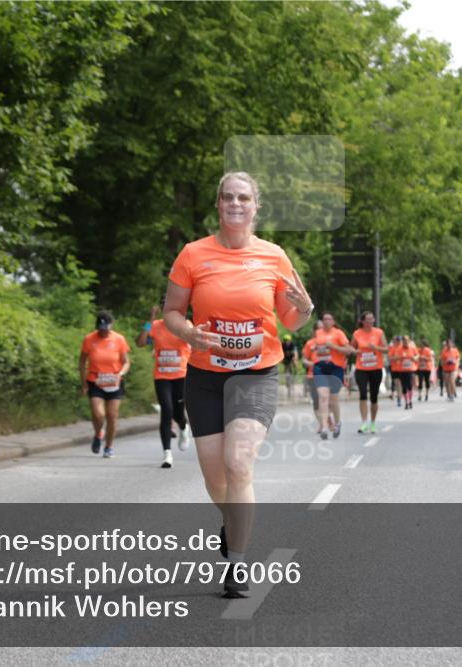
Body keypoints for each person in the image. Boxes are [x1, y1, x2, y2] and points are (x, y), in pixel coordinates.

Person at [162, 171, 313, 597]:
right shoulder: (193, 254)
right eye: (227, 197)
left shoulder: (274, 257)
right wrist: (188, 332)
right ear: (218, 204)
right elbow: (171, 311)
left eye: (243, 198)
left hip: (256, 372)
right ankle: (232, 525)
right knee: (216, 480)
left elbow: (291, 320)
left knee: (238, 462)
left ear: (255, 206)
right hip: (206, 376)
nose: (235, 204)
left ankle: (238, 565)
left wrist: (304, 310)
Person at [137, 304, 192, 468]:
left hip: (180, 376)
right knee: (166, 410)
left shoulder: (185, 324)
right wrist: (150, 319)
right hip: (161, 376)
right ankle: (167, 454)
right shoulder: (155, 326)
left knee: (178, 412)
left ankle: (183, 426)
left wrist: (184, 328)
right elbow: (140, 343)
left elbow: (195, 343)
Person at [80, 311, 131, 458]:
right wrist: (83, 383)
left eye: (105, 329)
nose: (102, 332)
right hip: (95, 381)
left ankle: (108, 447)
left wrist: (120, 374)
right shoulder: (89, 339)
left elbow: (126, 361)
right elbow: (82, 362)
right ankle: (98, 434)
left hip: (114, 382)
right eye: (100, 329)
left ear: (111, 325)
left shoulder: (119, 339)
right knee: (98, 414)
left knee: (112, 416)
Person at [310, 312, 353, 438]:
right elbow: (316, 347)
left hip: (336, 368)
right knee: (323, 397)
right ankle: (324, 427)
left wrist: (333, 346)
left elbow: (349, 350)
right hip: (320, 367)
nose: (327, 321)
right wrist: (316, 348)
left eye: (329, 319)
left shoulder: (338, 333)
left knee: (333, 400)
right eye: (324, 319)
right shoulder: (318, 333)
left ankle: (338, 422)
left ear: (333, 321)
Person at [351, 311, 388, 434]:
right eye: (368, 319)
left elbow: (387, 349)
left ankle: (372, 423)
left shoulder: (379, 332)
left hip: (376, 368)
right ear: (362, 321)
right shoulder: (357, 333)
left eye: (372, 319)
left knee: (374, 397)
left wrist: (376, 348)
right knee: (362, 393)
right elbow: (351, 348)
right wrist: (355, 351)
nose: (371, 321)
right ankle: (364, 422)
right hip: (361, 368)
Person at [301, 321, 323, 432]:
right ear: (314, 331)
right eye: (318, 329)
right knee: (316, 402)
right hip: (313, 375)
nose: (320, 331)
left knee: (327, 399)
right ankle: (322, 424)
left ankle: (328, 420)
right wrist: (312, 364)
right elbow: (304, 360)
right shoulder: (310, 343)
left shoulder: (331, 341)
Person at [399, 335, 418, 407]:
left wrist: (414, 358)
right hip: (402, 370)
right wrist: (400, 357)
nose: (405, 342)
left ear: (409, 341)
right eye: (404, 340)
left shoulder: (412, 348)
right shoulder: (399, 349)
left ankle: (410, 401)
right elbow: (394, 357)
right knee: (404, 386)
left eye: (406, 340)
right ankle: (406, 402)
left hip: (410, 369)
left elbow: (417, 355)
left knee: (409, 385)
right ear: (402, 341)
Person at [415, 338, 435, 404]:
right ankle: (420, 395)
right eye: (420, 345)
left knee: (426, 381)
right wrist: (418, 357)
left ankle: (426, 394)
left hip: (427, 368)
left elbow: (430, 359)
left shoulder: (428, 350)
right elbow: (415, 356)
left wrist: (424, 357)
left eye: (422, 345)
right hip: (420, 368)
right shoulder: (418, 350)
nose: (421, 346)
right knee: (420, 380)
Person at [280, 333, 299, 400]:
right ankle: (287, 379)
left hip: (292, 358)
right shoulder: (282, 345)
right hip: (286, 359)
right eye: (285, 340)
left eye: (287, 340)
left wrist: (295, 359)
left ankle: (296, 372)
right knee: (286, 370)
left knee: (295, 362)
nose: (286, 342)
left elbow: (296, 353)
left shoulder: (292, 345)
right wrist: (281, 359)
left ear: (290, 340)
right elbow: (280, 353)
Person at [388, 335, 404, 407]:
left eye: (399, 340)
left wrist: (397, 358)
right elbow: (390, 358)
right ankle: (399, 397)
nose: (397, 342)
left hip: (402, 368)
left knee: (399, 384)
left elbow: (405, 357)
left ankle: (399, 398)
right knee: (396, 383)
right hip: (394, 368)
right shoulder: (392, 348)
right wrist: (398, 358)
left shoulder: (403, 347)